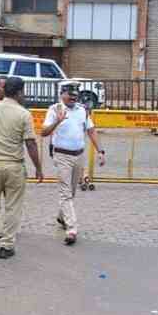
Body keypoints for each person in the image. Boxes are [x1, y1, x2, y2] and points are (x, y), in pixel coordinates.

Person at [0, 76, 43, 259]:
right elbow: (30, 143)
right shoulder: (23, 114)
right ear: (19, 92)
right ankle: (6, 246)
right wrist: (38, 167)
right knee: (13, 207)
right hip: (13, 166)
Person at [40, 84, 105, 245]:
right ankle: (72, 229)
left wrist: (100, 151)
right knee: (65, 192)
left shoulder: (82, 110)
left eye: (75, 95)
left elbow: (91, 130)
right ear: (62, 94)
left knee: (72, 191)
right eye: (70, 95)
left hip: (78, 155)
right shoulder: (54, 109)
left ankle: (62, 217)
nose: (73, 98)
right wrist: (57, 121)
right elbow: (43, 132)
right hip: (61, 155)